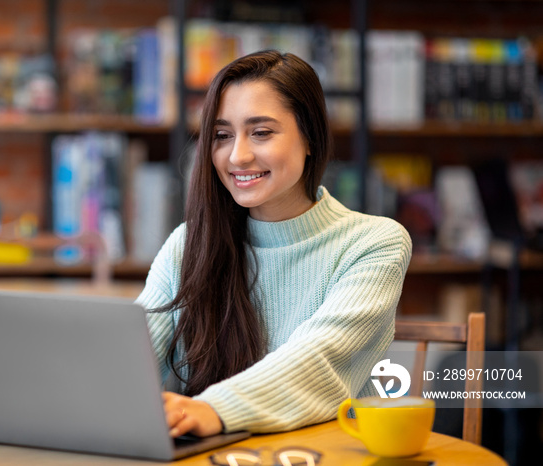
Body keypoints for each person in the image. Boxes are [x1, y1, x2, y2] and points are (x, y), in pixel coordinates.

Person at [135, 50, 412, 439]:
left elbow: (318, 361)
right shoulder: (189, 244)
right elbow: (130, 358)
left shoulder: (374, 244)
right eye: (222, 135)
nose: (237, 156)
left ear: (311, 138)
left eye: (261, 132)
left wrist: (213, 409)